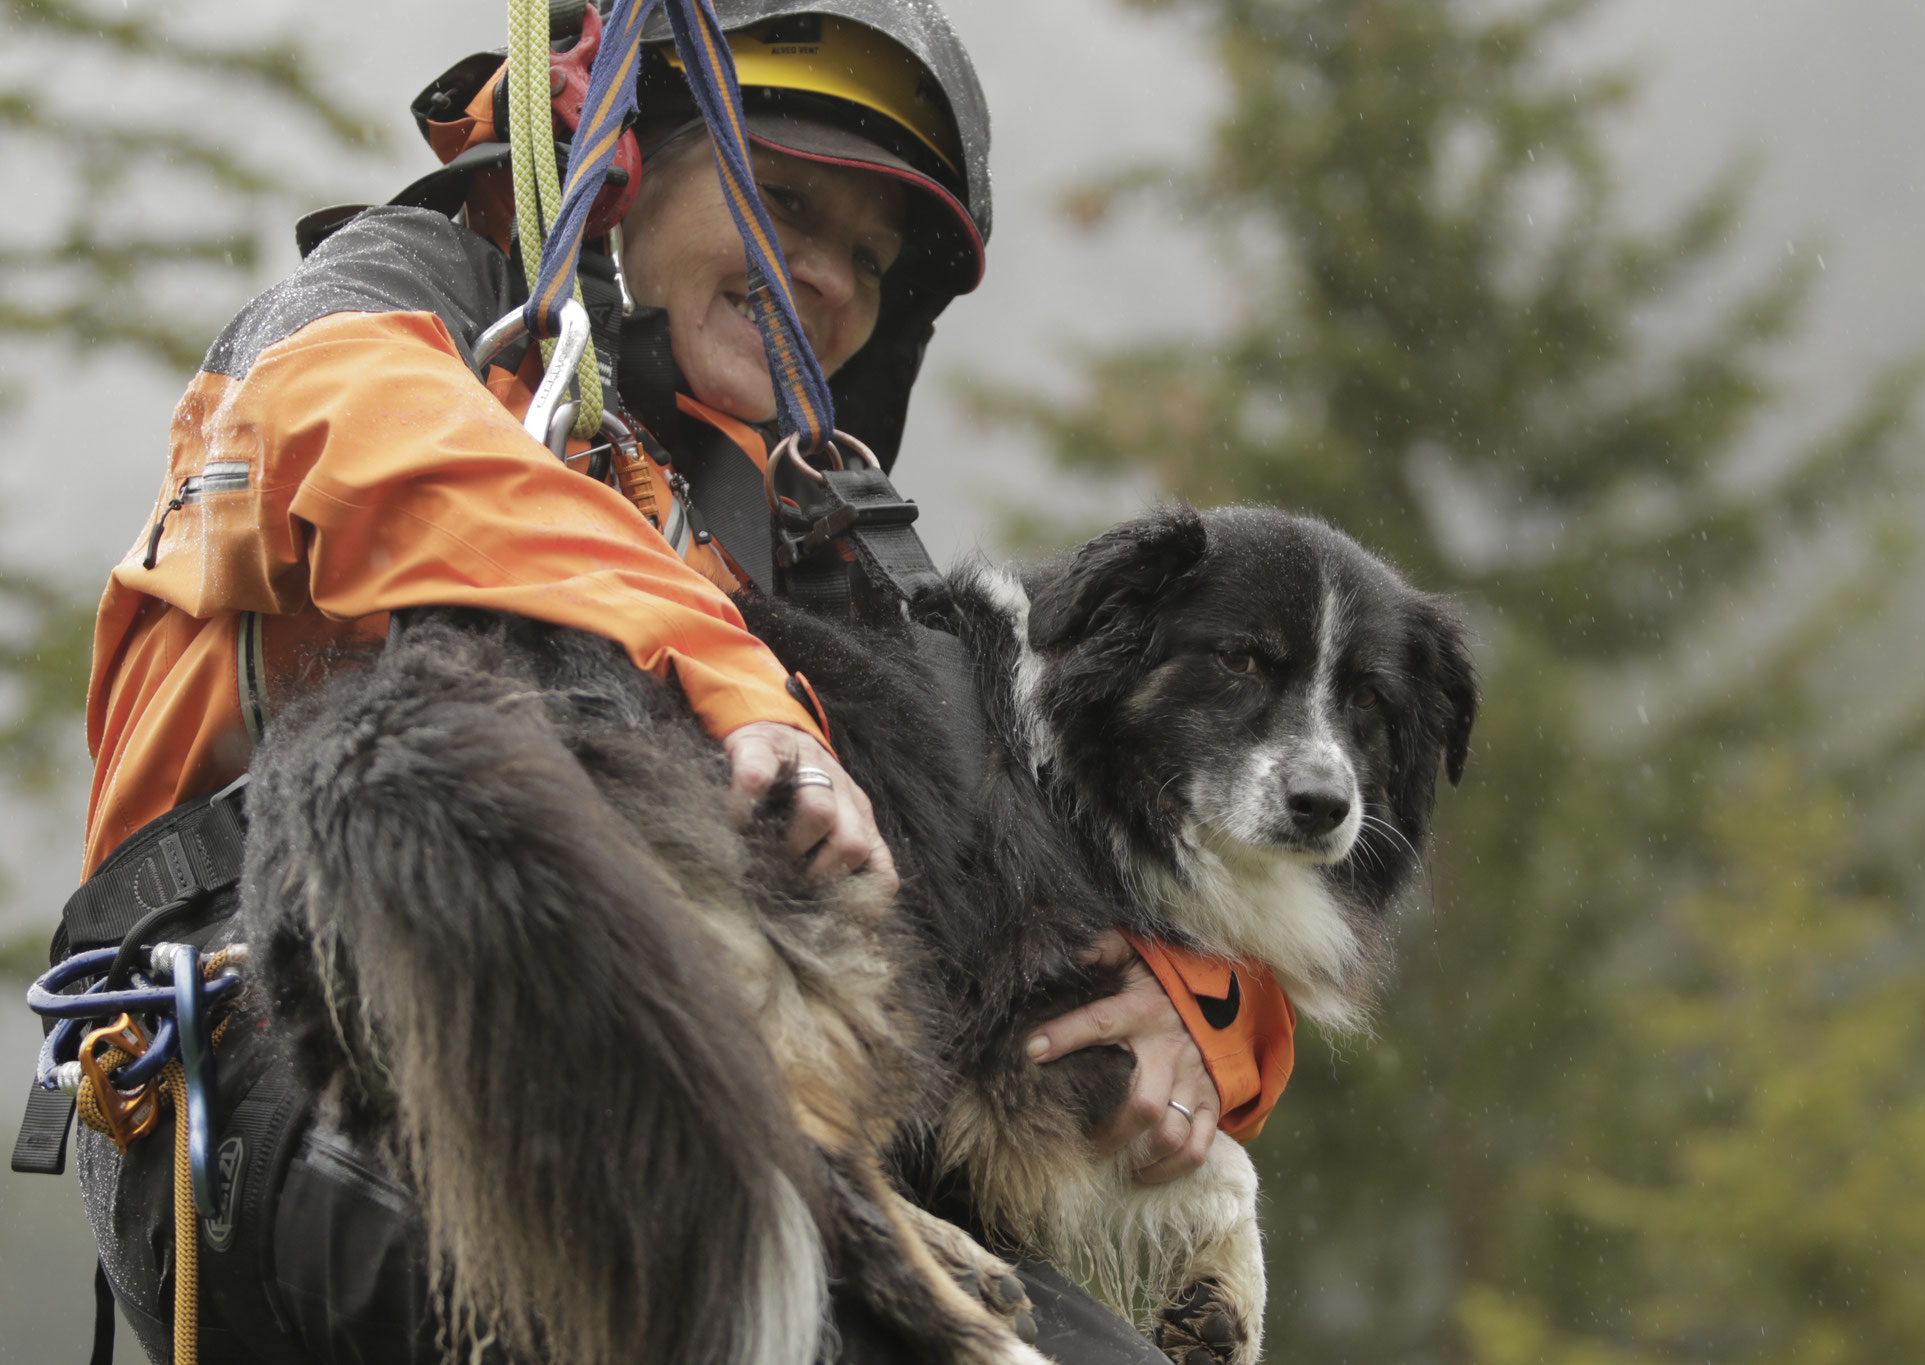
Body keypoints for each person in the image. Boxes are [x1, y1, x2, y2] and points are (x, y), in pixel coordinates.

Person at [53, 4, 1297, 1361]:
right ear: (626, 165)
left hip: (691, 1094)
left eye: (869, 258)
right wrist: (739, 689)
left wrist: (1202, 1014)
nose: (820, 273)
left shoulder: (794, 532)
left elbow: (1016, 832)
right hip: (310, 1046)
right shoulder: (384, 315)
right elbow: (384, 455)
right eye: (781, 202)